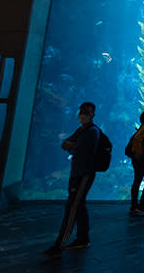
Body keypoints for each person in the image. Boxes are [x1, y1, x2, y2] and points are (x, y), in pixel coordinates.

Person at [42, 102, 101, 258]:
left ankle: (59, 245)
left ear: (92, 115)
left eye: (86, 113)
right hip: (76, 173)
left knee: (72, 207)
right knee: (79, 205)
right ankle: (83, 238)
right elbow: (64, 144)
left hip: (84, 174)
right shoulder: (81, 130)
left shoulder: (93, 132)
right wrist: (73, 145)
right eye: (81, 112)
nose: (83, 115)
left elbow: (81, 149)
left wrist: (73, 146)